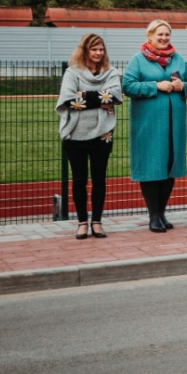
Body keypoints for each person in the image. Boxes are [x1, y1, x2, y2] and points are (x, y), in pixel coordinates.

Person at [122, 19, 187, 233]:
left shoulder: (178, 59)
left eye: (167, 35)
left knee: (170, 166)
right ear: (150, 36)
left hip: (175, 124)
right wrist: (156, 86)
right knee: (151, 167)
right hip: (149, 124)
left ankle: (162, 212)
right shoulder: (138, 60)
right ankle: (153, 215)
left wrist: (183, 86)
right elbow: (127, 85)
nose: (164, 38)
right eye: (160, 35)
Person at [57, 34, 121, 240]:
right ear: (85, 50)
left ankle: (97, 222)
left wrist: (83, 95)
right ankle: (83, 222)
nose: (98, 53)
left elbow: (115, 96)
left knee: (99, 179)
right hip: (75, 135)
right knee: (79, 179)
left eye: (101, 49)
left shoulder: (111, 73)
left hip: (102, 134)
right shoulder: (72, 72)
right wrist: (99, 98)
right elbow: (67, 100)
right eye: (94, 49)